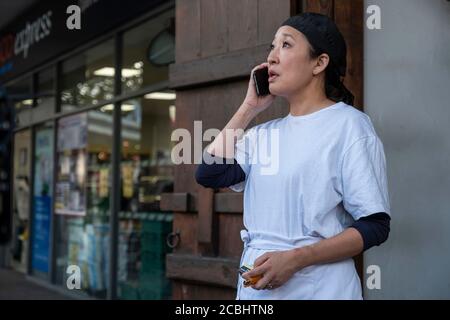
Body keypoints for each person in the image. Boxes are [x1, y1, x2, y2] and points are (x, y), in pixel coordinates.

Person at [195, 13, 390, 300]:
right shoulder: (263, 134)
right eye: (271, 47)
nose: (272, 57)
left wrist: (296, 258)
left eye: (286, 45)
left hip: (321, 287)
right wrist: (249, 107)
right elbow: (209, 174)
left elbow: (375, 225)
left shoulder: (349, 126)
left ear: (319, 63)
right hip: (258, 289)